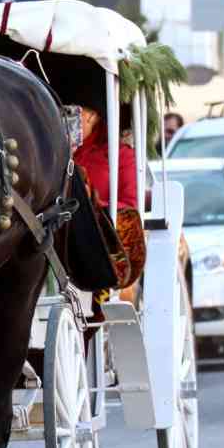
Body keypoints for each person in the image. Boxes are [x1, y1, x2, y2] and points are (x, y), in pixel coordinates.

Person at [72, 104, 146, 304]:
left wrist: (92, 201)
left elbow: (129, 205)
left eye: (72, 112)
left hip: (95, 236)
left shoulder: (120, 154)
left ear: (94, 116)